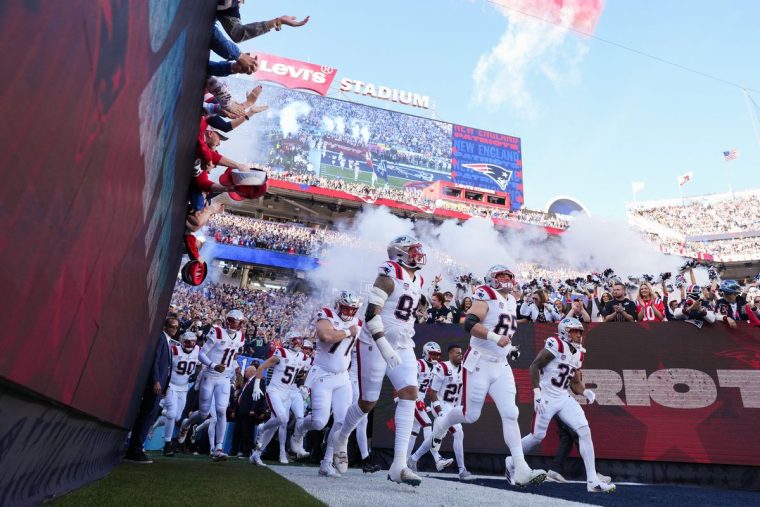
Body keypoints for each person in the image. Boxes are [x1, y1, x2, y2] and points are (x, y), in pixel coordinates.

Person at [426, 265, 547, 486]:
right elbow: (470, 323)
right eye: (501, 275)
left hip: (501, 364)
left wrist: (508, 348)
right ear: (492, 279)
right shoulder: (486, 293)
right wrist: (495, 338)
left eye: (509, 275)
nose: (506, 279)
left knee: (511, 413)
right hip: (479, 362)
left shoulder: (511, 300)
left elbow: (503, 330)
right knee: (470, 415)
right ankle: (442, 424)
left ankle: (520, 467)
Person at [330, 235, 427, 486]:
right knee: (367, 402)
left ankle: (399, 465)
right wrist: (384, 346)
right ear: (399, 253)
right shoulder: (388, 274)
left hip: (403, 343)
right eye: (412, 250)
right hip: (374, 343)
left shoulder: (419, 279)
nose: (417, 254)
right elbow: (371, 315)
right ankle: (341, 437)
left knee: (410, 393)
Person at [511, 318, 615, 493]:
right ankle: (512, 459)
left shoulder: (579, 354)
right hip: (546, 396)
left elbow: (575, 383)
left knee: (584, 430)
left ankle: (592, 481)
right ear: (564, 332)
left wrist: (585, 392)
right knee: (537, 436)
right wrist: (536, 393)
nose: (579, 335)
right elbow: (534, 366)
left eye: (580, 332)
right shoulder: (556, 344)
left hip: (563, 396)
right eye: (575, 331)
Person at [289, 292, 362, 477]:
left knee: (341, 422)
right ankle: (299, 429)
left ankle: (327, 462)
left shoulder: (358, 322)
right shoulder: (327, 314)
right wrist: (348, 332)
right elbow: (325, 336)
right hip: (323, 375)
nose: (349, 312)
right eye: (345, 308)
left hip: (343, 377)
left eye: (352, 309)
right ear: (338, 305)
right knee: (319, 422)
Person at [180, 310, 245, 461]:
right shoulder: (217, 332)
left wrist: (236, 369)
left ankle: (218, 448)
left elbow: (232, 355)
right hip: (209, 376)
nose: (235, 324)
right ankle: (186, 424)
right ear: (227, 320)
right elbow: (201, 354)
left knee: (221, 411)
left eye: (238, 322)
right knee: (203, 414)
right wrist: (213, 365)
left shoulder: (241, 337)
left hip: (224, 378)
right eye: (232, 321)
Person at [409, 344, 471, 481]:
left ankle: (413, 458)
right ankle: (462, 470)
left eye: (461, 353)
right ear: (450, 354)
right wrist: (440, 411)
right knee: (458, 432)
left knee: (436, 435)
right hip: (441, 404)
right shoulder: (442, 367)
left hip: (452, 406)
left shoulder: (464, 369)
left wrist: (459, 408)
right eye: (457, 353)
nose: (460, 356)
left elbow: (460, 393)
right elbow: (433, 393)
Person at [249, 333, 308, 465]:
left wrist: (303, 384)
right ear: (289, 341)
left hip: (287, 393)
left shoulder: (303, 357)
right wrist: (256, 386)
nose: (298, 344)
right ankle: (261, 428)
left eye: (299, 341)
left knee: (274, 426)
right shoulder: (281, 352)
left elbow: (300, 375)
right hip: (274, 391)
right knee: (282, 419)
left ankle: (256, 454)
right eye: (295, 341)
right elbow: (262, 367)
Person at [124, 317, 177, 463]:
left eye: (176, 327)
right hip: (155, 386)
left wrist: (165, 386)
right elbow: (155, 360)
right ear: (165, 326)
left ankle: (135, 448)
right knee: (147, 416)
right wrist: (156, 381)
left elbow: (166, 367)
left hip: (160, 386)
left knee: (149, 415)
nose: (175, 329)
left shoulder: (167, 341)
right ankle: (136, 449)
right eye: (172, 326)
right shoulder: (161, 339)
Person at [406, 342, 454, 472]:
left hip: (419, 401)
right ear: (425, 353)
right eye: (433, 354)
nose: (435, 357)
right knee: (427, 424)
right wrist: (416, 399)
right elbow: (409, 382)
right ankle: (437, 458)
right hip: (411, 399)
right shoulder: (418, 364)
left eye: (438, 355)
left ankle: (406, 461)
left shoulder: (437, 367)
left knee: (414, 433)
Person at [162, 331, 200, 456]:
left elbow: (200, 364)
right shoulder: (174, 350)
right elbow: (165, 367)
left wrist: (197, 374)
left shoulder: (197, 350)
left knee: (178, 417)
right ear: (183, 342)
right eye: (188, 342)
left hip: (183, 388)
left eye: (193, 342)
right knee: (172, 414)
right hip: (171, 385)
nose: (190, 345)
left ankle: (163, 411)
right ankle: (167, 444)